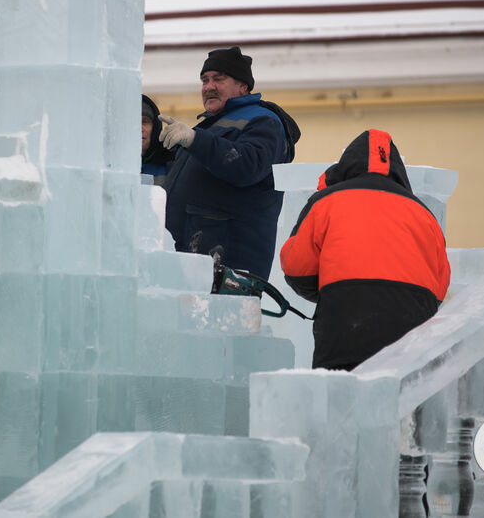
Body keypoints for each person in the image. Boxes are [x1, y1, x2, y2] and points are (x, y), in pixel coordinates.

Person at [279, 129, 450, 371]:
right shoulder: (424, 215)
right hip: (413, 343)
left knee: (344, 404)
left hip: (345, 337)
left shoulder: (326, 202)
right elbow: (440, 286)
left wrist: (327, 290)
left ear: (347, 165)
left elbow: (295, 267)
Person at [160, 46, 300, 281]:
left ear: (243, 86)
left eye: (219, 78)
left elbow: (248, 166)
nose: (209, 86)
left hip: (228, 269)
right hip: (194, 262)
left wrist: (194, 140)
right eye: (204, 80)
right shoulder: (210, 127)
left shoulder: (264, 121)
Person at [141, 94, 174, 185]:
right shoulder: (110, 164)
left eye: (145, 122)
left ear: (155, 127)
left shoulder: (172, 161)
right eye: (134, 121)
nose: (140, 128)